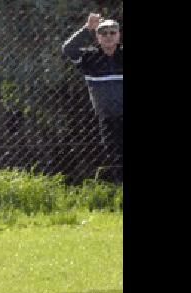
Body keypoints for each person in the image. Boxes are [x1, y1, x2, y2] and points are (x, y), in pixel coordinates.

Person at [62, 13, 123, 179]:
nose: (108, 36)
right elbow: (68, 49)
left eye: (112, 32)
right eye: (104, 33)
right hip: (107, 118)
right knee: (114, 157)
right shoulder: (89, 58)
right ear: (98, 37)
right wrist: (87, 28)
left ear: (119, 35)